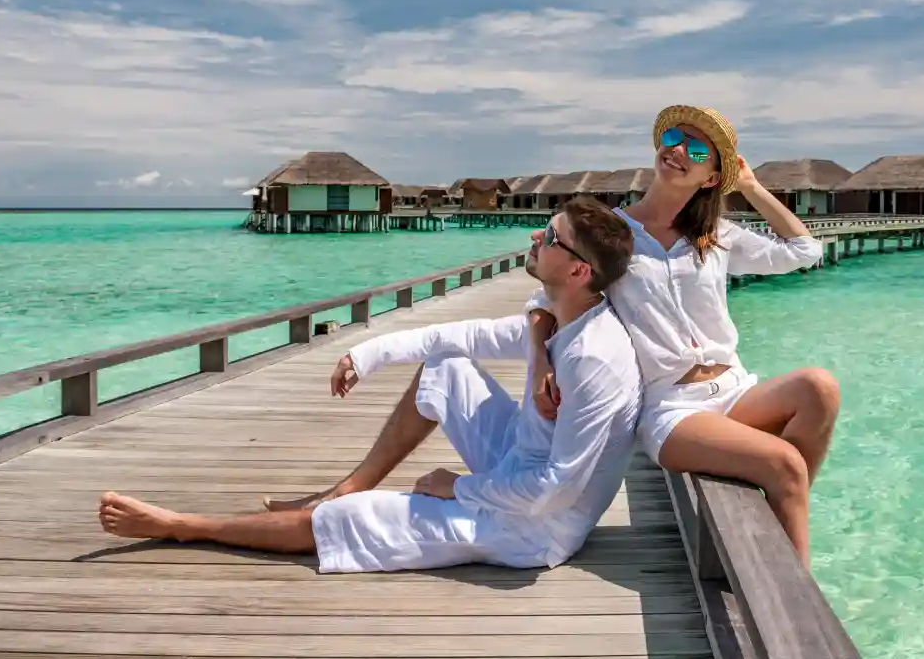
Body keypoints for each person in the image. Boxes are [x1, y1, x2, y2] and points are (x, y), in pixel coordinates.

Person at [98, 197, 641, 574]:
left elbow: (556, 492)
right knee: (445, 364)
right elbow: (468, 333)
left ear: (578, 272)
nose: (535, 236)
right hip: (518, 469)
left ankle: (188, 526)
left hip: (534, 528)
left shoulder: (594, 360)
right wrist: (370, 351)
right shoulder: (560, 313)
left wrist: (457, 487)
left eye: (550, 237)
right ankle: (349, 485)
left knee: (338, 523)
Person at [524, 105, 837, 566]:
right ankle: (799, 596)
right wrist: (541, 361)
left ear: (710, 178)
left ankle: (773, 537)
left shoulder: (717, 235)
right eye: (674, 137)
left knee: (819, 388)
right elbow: (543, 299)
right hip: (672, 407)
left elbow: (805, 251)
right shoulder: (613, 233)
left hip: (734, 390)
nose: (678, 151)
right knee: (786, 465)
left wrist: (750, 186)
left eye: (696, 149)